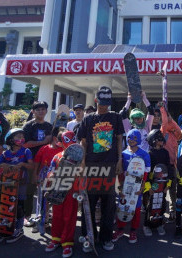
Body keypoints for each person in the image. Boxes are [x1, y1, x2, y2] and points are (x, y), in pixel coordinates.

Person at [77, 86, 124, 252]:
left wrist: (119, 160)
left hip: (110, 165)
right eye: (102, 102)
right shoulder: (87, 119)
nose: (104, 106)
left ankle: (105, 238)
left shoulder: (115, 117)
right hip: (91, 165)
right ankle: (89, 236)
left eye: (107, 103)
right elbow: (83, 142)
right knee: (88, 203)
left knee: (108, 204)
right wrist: (82, 163)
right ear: (96, 100)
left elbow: (119, 140)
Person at [0, 128, 34, 244]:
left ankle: (19, 229)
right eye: (18, 137)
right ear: (10, 140)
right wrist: (4, 164)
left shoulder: (26, 151)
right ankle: (3, 229)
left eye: (22, 136)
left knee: (19, 206)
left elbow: (31, 166)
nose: (21, 139)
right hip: (7, 185)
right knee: (5, 206)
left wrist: (23, 164)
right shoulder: (6, 154)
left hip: (21, 183)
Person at [44, 131, 81, 258]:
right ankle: (55, 239)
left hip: (72, 192)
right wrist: (51, 176)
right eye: (68, 144)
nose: (70, 147)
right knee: (57, 216)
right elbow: (50, 171)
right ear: (62, 144)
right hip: (57, 191)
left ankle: (67, 243)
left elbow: (84, 175)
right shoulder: (57, 156)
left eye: (72, 144)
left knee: (69, 217)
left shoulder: (80, 159)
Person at [112, 129, 151, 244]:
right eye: (129, 138)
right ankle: (120, 229)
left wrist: (142, 187)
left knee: (136, 208)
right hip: (124, 185)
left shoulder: (144, 154)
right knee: (122, 206)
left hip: (137, 187)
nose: (131, 140)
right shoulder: (123, 154)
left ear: (138, 139)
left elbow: (146, 173)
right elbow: (119, 172)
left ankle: (133, 231)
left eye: (134, 138)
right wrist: (119, 188)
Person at [22, 101, 53, 226]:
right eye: (38, 109)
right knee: (30, 188)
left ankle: (43, 215)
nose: (41, 111)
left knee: (46, 189)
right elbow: (25, 144)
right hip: (31, 161)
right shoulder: (28, 126)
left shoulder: (49, 126)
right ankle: (27, 215)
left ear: (46, 111)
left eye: (43, 109)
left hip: (45, 163)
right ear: (33, 111)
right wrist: (43, 142)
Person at [32, 127, 65, 233]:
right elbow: (37, 162)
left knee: (56, 200)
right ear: (55, 138)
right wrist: (35, 175)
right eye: (61, 139)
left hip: (58, 179)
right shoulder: (44, 148)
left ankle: (56, 220)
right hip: (44, 177)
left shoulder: (64, 151)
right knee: (42, 200)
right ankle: (42, 220)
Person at [143, 129, 172, 236]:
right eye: (159, 138)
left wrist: (168, 185)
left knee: (162, 203)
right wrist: (148, 187)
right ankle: (147, 225)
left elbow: (169, 169)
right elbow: (146, 172)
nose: (162, 140)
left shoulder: (165, 153)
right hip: (151, 184)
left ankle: (159, 224)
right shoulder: (149, 154)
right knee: (149, 204)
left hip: (163, 183)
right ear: (154, 140)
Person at [159, 104, 182, 221]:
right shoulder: (162, 133)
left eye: (169, 118)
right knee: (162, 188)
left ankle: (173, 209)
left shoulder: (173, 134)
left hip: (173, 165)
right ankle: (161, 210)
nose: (167, 120)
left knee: (173, 189)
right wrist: (163, 110)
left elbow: (179, 130)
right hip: (164, 166)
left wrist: (171, 119)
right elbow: (164, 124)